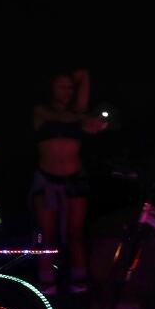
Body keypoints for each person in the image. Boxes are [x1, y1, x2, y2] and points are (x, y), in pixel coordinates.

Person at [31, 69, 106, 293]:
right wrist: (86, 119)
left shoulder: (77, 113)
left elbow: (84, 75)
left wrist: (81, 80)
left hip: (74, 179)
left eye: (69, 88)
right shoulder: (40, 111)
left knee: (76, 233)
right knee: (47, 234)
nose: (66, 91)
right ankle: (47, 285)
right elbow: (64, 118)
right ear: (50, 88)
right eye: (61, 86)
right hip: (47, 179)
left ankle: (79, 285)